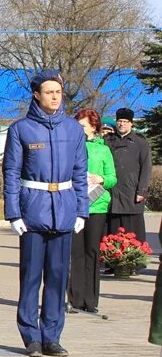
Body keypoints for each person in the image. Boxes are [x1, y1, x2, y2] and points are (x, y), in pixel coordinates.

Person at [2, 71, 88, 357]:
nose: (54, 96)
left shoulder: (73, 130)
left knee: (57, 276)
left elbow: (80, 172)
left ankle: (52, 336)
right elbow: (12, 173)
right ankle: (31, 336)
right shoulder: (21, 129)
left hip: (64, 210)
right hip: (32, 212)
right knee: (30, 277)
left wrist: (81, 211)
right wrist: (14, 213)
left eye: (58, 92)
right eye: (48, 92)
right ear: (36, 95)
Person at [67, 108, 116, 316]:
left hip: (97, 205)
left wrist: (101, 179)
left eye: (83, 126)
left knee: (92, 252)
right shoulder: (70, 147)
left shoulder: (103, 150)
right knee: (75, 252)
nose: (80, 130)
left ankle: (91, 299)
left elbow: (113, 178)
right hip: (75, 205)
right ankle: (75, 298)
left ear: (93, 127)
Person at [105, 107, 152, 243]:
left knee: (132, 231)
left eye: (125, 121)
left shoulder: (140, 143)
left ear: (131, 123)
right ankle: (112, 259)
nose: (122, 124)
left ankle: (133, 261)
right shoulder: (108, 141)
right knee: (113, 231)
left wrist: (141, 191)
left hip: (132, 193)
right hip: (113, 192)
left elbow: (146, 168)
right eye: (120, 121)